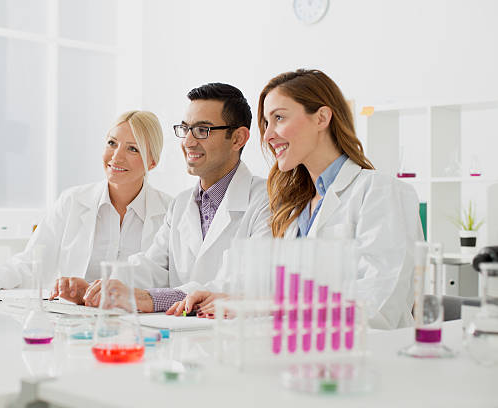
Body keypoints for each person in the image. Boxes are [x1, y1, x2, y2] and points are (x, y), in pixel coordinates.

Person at [171, 69, 423, 330]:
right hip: (301, 359)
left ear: (322, 118)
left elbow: (378, 306)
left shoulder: (379, 191)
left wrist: (264, 307)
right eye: (266, 123)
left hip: (368, 361)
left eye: (279, 118)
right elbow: (283, 296)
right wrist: (230, 299)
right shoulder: (295, 208)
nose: (268, 135)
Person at [52, 83, 271, 312]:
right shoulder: (182, 203)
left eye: (202, 130)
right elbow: (151, 267)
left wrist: (150, 299)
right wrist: (97, 290)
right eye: (185, 129)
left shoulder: (265, 200)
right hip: (182, 340)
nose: (188, 142)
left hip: (234, 339)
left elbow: (246, 284)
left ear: (238, 138)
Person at [0, 110, 171, 290]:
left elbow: (168, 281)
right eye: (112, 143)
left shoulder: (170, 212)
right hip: (73, 315)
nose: (116, 156)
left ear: (152, 162)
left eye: (132, 148)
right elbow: (32, 261)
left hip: (138, 315)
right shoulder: (72, 201)